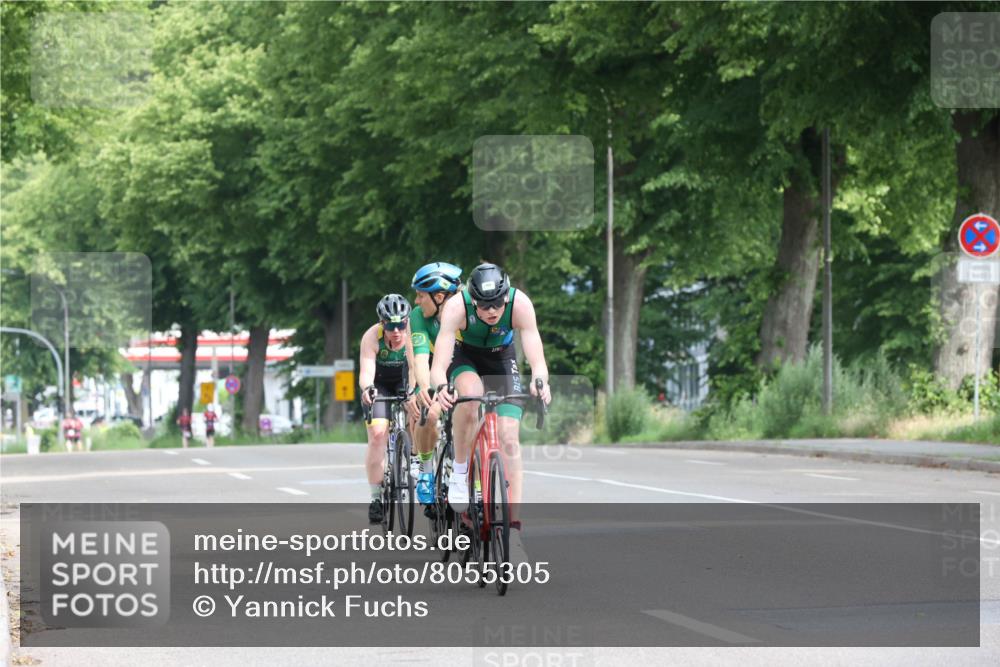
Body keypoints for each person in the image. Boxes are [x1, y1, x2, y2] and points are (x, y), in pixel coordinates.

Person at [432, 263, 551, 557]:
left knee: (509, 440)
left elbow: (536, 354)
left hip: (501, 359)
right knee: (471, 396)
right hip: (465, 358)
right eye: (484, 306)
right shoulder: (456, 307)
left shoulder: (520, 304)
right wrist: (441, 386)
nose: (492, 311)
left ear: (506, 297)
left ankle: (514, 532)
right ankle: (461, 471)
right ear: (473, 300)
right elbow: (439, 364)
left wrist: (540, 381)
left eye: (497, 303)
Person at [408, 261, 463, 505]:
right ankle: (427, 470)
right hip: (433, 368)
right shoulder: (418, 316)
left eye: (421, 295)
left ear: (439, 296)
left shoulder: (465, 309)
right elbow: (420, 360)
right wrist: (423, 388)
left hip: (463, 366)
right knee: (429, 413)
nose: (417, 301)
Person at [359, 294, 416, 524]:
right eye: (391, 327)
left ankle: (415, 460)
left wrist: (413, 392)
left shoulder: (413, 334)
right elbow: (366, 372)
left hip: (405, 380)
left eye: (401, 325)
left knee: (417, 413)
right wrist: (368, 388)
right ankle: (376, 498)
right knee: (377, 435)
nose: (397, 331)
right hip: (380, 384)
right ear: (382, 323)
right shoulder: (372, 336)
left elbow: (416, 368)